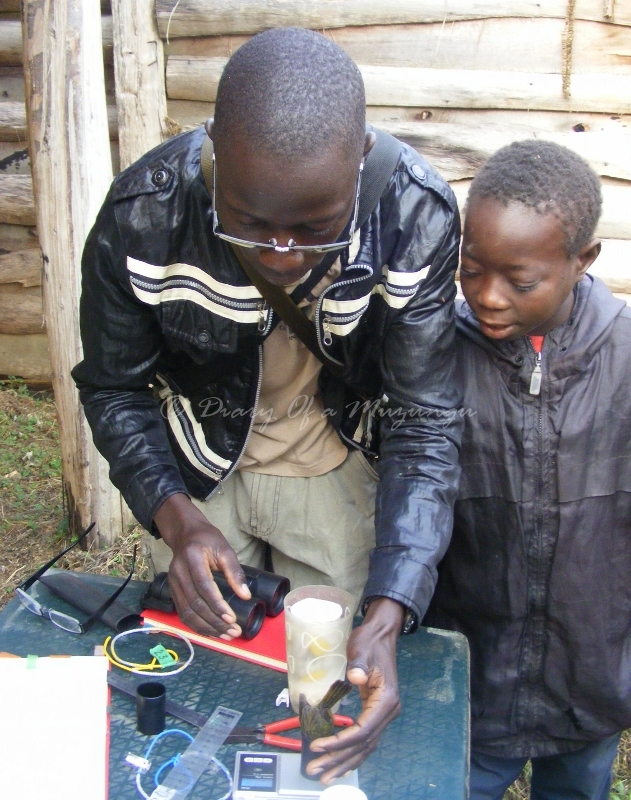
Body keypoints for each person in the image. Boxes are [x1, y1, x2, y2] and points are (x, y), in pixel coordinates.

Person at [73, 27, 463, 781]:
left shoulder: (415, 218)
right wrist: (176, 517)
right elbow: (114, 387)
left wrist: (387, 613)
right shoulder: (143, 213)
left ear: (358, 162)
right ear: (216, 150)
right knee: (203, 670)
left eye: (315, 229)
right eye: (248, 223)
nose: (281, 255)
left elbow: (424, 419)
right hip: (197, 469)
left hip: (330, 463)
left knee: (321, 700)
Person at [424, 139, 631, 799]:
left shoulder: (625, 359)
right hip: (472, 674)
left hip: (590, 680)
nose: (486, 296)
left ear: (581, 261)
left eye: (519, 281)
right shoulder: (435, 359)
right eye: (470, 269)